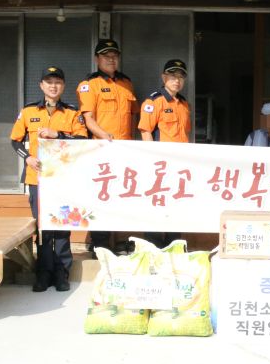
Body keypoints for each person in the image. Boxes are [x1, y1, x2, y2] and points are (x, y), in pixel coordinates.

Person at [10, 66, 88, 292]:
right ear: (41, 85)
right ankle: (43, 273)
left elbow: (83, 140)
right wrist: (27, 157)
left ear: (63, 86)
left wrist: (59, 135)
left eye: (58, 82)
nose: (53, 86)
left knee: (62, 224)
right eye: (49, 82)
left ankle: (62, 272)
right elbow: (15, 140)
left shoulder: (72, 112)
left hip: (64, 179)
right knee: (43, 227)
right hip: (38, 179)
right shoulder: (28, 111)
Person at [77, 39, 138, 253]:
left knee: (123, 196)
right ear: (97, 59)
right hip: (101, 151)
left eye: (114, 55)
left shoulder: (126, 83)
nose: (111, 59)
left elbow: (133, 116)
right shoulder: (89, 85)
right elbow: (88, 119)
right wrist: (105, 136)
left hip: (124, 151)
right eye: (106, 55)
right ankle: (100, 244)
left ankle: (121, 241)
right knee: (100, 197)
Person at [138, 59, 191, 248]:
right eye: (172, 76)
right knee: (156, 205)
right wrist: (154, 162)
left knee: (176, 205)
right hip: (160, 166)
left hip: (179, 166)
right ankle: (154, 247)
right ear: (163, 77)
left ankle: (174, 245)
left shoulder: (184, 104)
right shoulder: (154, 101)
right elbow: (146, 131)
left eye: (181, 77)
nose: (177, 80)